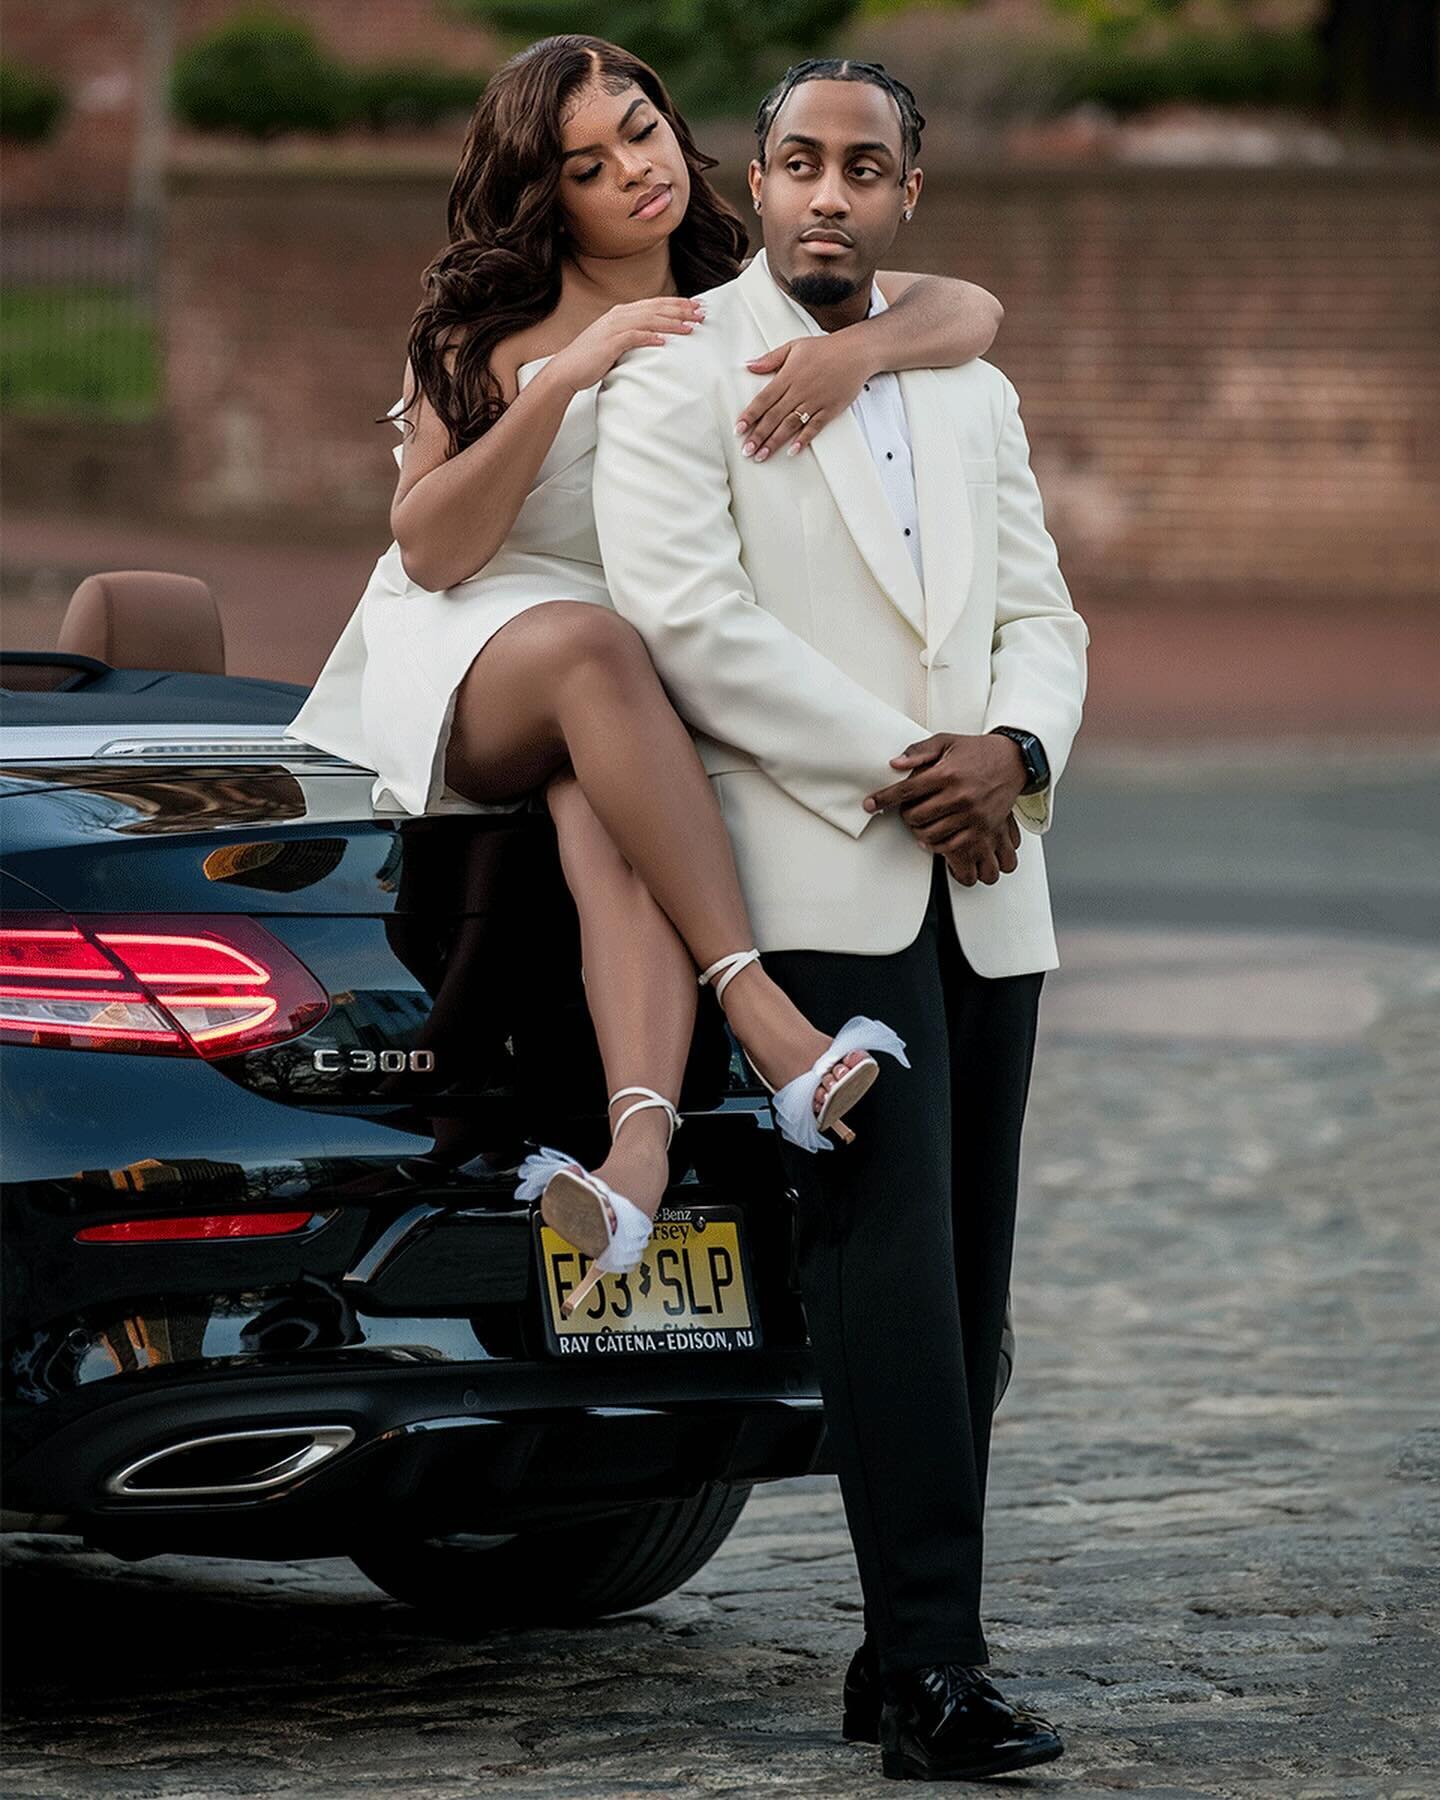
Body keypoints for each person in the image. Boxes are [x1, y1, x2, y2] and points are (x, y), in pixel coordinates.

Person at [283, 35, 1007, 1293]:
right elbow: (434, 549)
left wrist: (853, 353)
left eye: (641, 128)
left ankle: (633, 1165)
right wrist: (570, 371)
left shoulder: (745, 280)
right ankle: (773, 1029)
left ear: (677, 126)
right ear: (544, 192)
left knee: (604, 807)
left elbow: (970, 310)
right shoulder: (484, 323)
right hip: (480, 648)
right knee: (590, 647)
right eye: (585, 163)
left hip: (628, 678)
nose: (632, 169)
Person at [590, 58, 1089, 1783]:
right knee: (880, 1277)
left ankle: (898, 1653)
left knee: (967, 1292)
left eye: (861, 169)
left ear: (905, 199)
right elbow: (687, 624)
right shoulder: (677, 374)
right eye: (798, 162)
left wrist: (1012, 753)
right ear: (759, 173)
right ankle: (941, 1668)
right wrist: (915, 769)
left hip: (987, 886)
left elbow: (1046, 612)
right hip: (820, 875)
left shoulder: (973, 393)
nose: (825, 194)